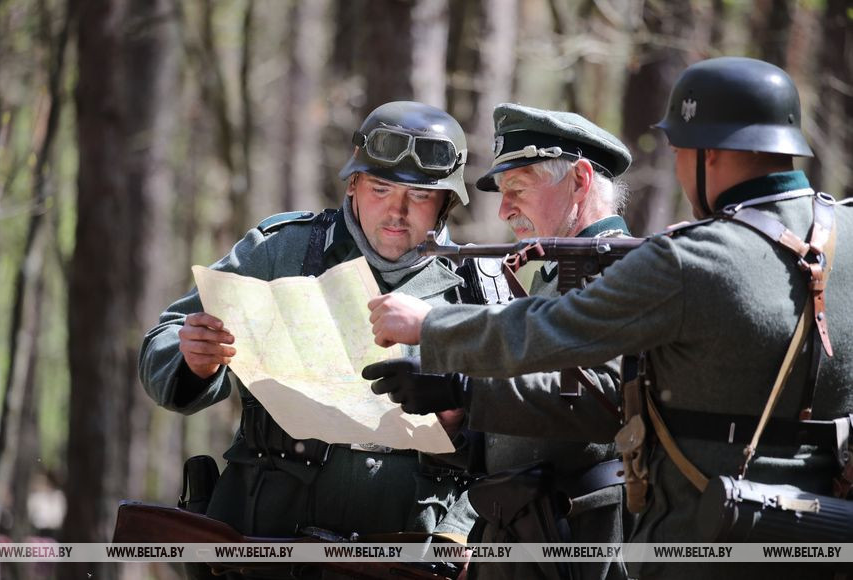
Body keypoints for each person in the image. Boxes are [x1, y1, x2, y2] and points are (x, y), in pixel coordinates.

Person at [368, 57, 853, 580]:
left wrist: (432, 328)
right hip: (824, 534)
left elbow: (567, 344)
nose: (505, 211)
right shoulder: (842, 232)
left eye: (678, 152)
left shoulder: (689, 260)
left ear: (707, 154)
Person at [139, 101, 479, 578]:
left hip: (404, 547)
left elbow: (512, 441)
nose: (397, 211)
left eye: (419, 196)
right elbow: (162, 344)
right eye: (381, 188)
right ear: (353, 185)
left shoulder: (475, 287)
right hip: (268, 536)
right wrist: (193, 358)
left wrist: (460, 520)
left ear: (445, 203)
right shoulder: (285, 249)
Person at [364, 104, 633, 580]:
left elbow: (595, 405)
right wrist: (457, 422)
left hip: (580, 546)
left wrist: (464, 387)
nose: (505, 209)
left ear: (581, 179)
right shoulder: (560, 276)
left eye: (518, 189)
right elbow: (527, 434)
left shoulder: (623, 274)